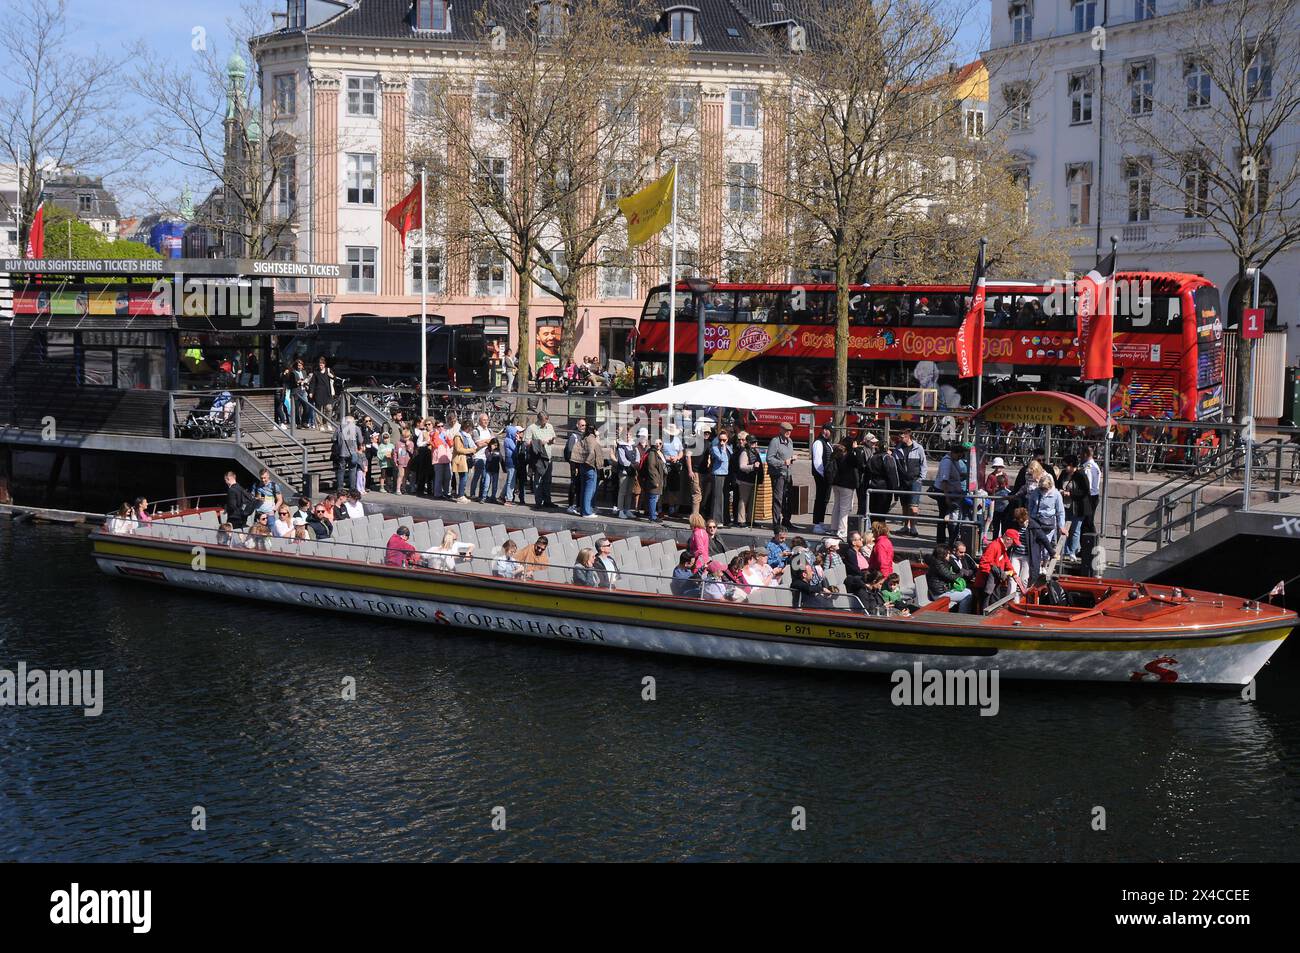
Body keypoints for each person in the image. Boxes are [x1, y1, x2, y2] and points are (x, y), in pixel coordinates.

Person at [1026, 473, 1067, 580]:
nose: (1043, 491)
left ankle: (1045, 564)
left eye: (1045, 488)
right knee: (1036, 545)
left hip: (1048, 522)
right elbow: (1030, 506)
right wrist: (1029, 519)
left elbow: (1060, 511)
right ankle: (1037, 566)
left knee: (1045, 544)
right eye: (1042, 488)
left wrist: (1061, 526)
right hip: (1035, 521)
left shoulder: (1056, 494)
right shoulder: (1036, 492)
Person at [893, 428, 927, 536]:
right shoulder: (897, 448)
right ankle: (905, 526)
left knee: (913, 506)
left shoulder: (918, 448)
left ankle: (913, 527)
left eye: (902, 436)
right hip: (903, 481)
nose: (900, 438)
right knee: (904, 505)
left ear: (908, 437)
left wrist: (921, 478)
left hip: (914, 480)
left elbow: (923, 464)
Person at [974, 528, 1020, 604]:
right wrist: (997, 573)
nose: (1013, 545)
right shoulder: (994, 546)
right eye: (1013, 543)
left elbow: (1007, 562)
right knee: (986, 607)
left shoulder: (1002, 547)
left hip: (994, 583)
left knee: (994, 605)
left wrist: (1014, 574)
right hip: (985, 583)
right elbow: (983, 564)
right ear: (1008, 539)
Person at [933, 443, 966, 547]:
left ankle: (949, 541)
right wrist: (946, 497)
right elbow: (944, 481)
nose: (960, 458)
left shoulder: (954, 460)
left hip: (952, 492)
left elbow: (958, 474)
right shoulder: (947, 462)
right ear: (954, 453)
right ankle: (941, 542)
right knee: (944, 517)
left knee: (949, 518)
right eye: (959, 456)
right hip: (945, 493)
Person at [923, 544, 972, 612]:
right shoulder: (938, 564)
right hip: (939, 593)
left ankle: (961, 612)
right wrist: (961, 573)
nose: (949, 555)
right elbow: (950, 577)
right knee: (967, 596)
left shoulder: (940, 562)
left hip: (943, 589)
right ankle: (962, 615)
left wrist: (951, 562)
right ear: (943, 554)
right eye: (948, 553)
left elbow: (955, 570)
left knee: (968, 591)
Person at [767, 421, 797, 531]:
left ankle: (786, 520)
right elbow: (769, 459)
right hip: (778, 474)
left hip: (788, 474)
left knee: (788, 499)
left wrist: (792, 459)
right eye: (786, 430)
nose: (788, 432)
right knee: (778, 499)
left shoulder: (790, 441)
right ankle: (776, 523)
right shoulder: (775, 442)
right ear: (781, 430)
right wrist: (783, 462)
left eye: (790, 431)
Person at [827, 439, 860, 538]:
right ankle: (842, 530)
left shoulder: (835, 453)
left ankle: (834, 528)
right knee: (844, 509)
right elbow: (859, 462)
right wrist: (856, 449)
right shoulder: (849, 456)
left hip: (836, 483)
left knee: (836, 506)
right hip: (847, 485)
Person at [571, 422, 605, 518]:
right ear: (594, 430)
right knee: (589, 490)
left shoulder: (584, 438)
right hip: (589, 467)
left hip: (582, 466)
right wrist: (589, 461)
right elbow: (592, 452)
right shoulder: (591, 439)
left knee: (584, 490)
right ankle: (587, 512)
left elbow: (577, 450)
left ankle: (583, 510)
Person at [524, 411, 557, 509]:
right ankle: (538, 501)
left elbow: (553, 438)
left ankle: (547, 501)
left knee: (547, 480)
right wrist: (540, 443)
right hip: (538, 458)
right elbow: (526, 443)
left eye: (546, 420)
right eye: (543, 421)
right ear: (539, 419)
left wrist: (552, 440)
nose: (545, 423)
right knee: (537, 480)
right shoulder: (531, 428)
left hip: (548, 458)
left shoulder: (549, 426)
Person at [862, 433, 896, 521]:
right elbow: (892, 475)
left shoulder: (872, 457)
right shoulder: (887, 458)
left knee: (873, 512)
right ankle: (879, 531)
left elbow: (867, 472)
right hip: (884, 488)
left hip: (872, 486)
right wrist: (895, 491)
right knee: (882, 512)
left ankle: (875, 530)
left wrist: (865, 487)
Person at [734, 432, 762, 526]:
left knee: (752, 501)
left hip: (753, 479)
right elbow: (742, 466)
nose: (754, 444)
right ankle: (741, 520)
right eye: (752, 443)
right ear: (748, 443)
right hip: (744, 480)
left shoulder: (756, 452)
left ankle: (751, 520)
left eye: (755, 442)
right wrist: (753, 467)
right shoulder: (744, 452)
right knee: (743, 500)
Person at [810, 423, 833, 533]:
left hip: (826, 476)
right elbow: (818, 462)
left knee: (825, 499)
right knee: (820, 498)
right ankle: (816, 524)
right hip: (821, 476)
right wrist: (824, 475)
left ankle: (821, 522)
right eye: (829, 431)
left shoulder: (827, 443)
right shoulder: (818, 443)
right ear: (824, 430)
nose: (831, 433)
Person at [564, 418, 588, 512]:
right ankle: (570, 505)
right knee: (574, 484)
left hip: (582, 464)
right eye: (582, 425)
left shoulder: (585, 436)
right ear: (577, 425)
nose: (583, 427)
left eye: (585, 425)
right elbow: (570, 451)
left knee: (580, 485)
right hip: (575, 464)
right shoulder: (574, 436)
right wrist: (573, 465)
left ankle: (578, 504)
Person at [641, 436, 666, 522]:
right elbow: (651, 468)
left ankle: (653, 514)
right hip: (654, 479)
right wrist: (654, 481)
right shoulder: (652, 453)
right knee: (653, 497)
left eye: (660, 443)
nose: (658, 445)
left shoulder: (659, 453)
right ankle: (652, 517)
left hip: (659, 478)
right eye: (657, 443)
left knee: (655, 498)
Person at [309, 356, 338, 427]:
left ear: (324, 364)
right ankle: (320, 425)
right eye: (319, 365)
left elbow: (334, 378)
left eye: (322, 364)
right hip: (318, 392)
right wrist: (311, 392)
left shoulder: (328, 370)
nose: (320, 366)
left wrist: (329, 374)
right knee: (318, 410)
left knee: (329, 408)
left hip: (327, 392)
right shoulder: (316, 372)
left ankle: (327, 422)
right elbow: (313, 383)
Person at [843, 529, 872, 594]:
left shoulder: (859, 552)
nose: (862, 540)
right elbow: (855, 570)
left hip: (866, 575)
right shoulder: (850, 554)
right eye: (859, 539)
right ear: (854, 543)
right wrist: (869, 576)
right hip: (859, 580)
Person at [501, 421, 520, 506]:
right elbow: (516, 450)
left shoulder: (509, 440)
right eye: (515, 432)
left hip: (511, 462)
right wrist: (518, 441)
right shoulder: (508, 440)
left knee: (509, 481)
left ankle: (502, 496)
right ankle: (508, 500)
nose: (516, 434)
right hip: (511, 462)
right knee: (511, 482)